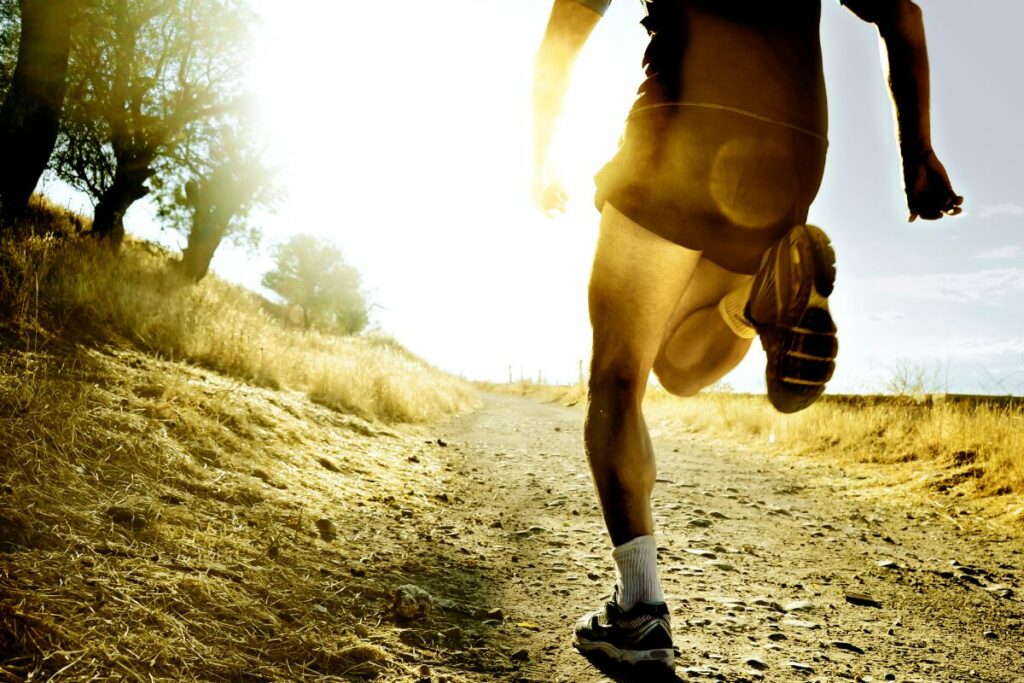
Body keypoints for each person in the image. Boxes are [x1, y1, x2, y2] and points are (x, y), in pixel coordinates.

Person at [531, 0, 962, 669]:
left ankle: (639, 608)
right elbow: (901, 14)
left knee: (618, 378)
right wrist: (917, 151)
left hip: (683, 128)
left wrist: (540, 149)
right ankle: (748, 303)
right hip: (791, 150)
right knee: (677, 366)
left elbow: (570, 19)